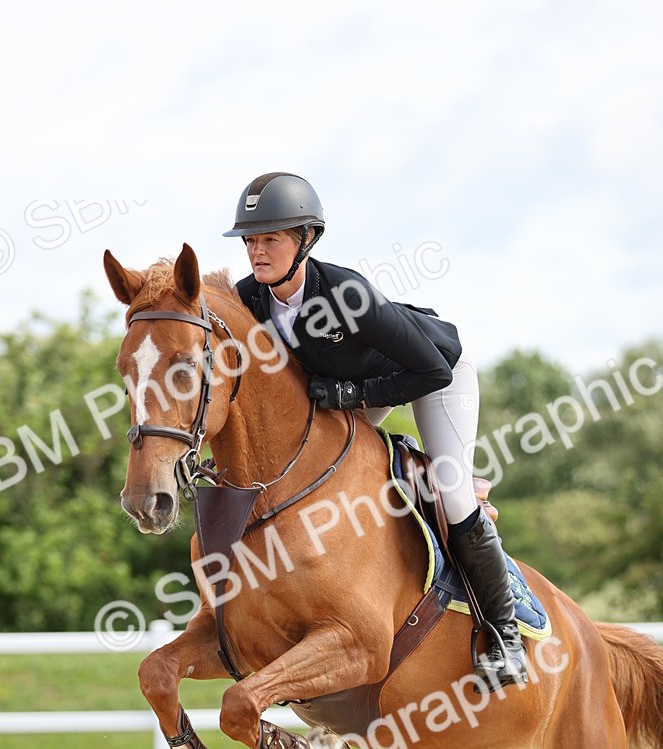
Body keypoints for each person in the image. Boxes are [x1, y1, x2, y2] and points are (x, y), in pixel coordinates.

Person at [224, 171, 528, 689]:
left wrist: (350, 397)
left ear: (306, 240)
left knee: (451, 492)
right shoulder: (248, 301)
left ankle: (505, 636)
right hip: (351, 387)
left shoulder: (345, 293)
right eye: (251, 240)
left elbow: (430, 370)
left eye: (270, 238)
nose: (257, 251)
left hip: (435, 374)